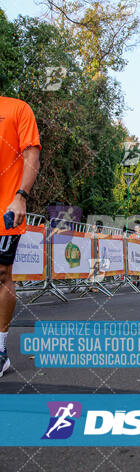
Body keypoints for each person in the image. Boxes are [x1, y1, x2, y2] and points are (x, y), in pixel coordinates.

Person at [0, 96, 41, 378]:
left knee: (2, 273)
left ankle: (1, 350)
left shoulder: (17, 108)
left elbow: (31, 156)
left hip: (5, 208)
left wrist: (21, 197)